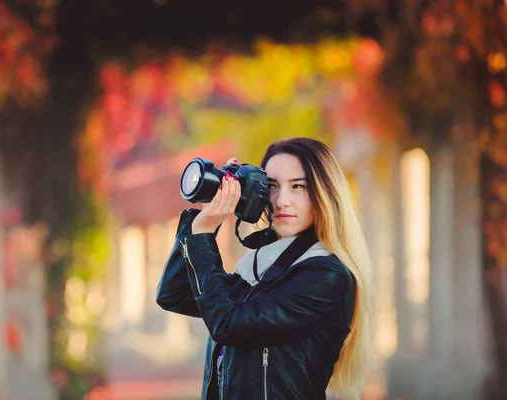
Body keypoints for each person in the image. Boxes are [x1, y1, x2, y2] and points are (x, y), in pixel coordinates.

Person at [156, 137, 374, 400]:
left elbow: (230, 324)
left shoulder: (326, 276)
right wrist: (205, 219)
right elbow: (174, 295)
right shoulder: (260, 270)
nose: (282, 201)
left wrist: (202, 234)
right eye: (271, 186)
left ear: (324, 194)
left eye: (298, 187)